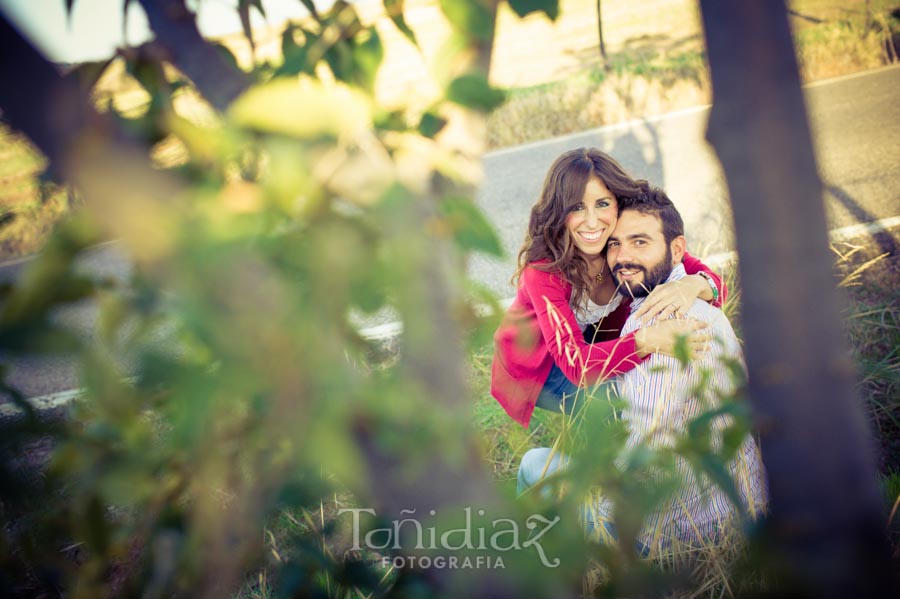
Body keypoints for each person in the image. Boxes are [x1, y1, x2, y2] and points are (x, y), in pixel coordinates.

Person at [518, 187, 766, 547]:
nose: (623, 258)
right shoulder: (704, 310)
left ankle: (536, 563)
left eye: (640, 242)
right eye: (615, 244)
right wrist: (697, 283)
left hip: (671, 530)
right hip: (742, 503)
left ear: (677, 249)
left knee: (533, 464)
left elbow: (641, 463)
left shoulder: (657, 324)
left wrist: (597, 493)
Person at [491, 148, 726, 428]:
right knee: (624, 408)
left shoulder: (621, 241)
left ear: (618, 201)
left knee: (650, 388)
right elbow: (576, 364)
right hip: (541, 364)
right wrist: (647, 339)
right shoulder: (544, 271)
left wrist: (692, 284)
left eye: (602, 203)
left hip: (590, 339)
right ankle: (557, 466)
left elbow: (714, 285)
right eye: (577, 207)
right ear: (560, 212)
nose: (592, 222)